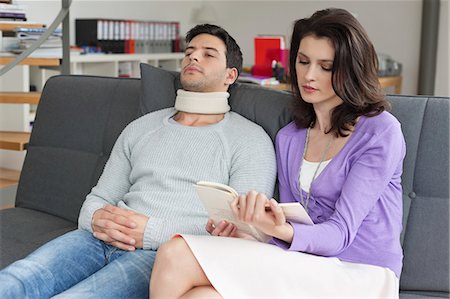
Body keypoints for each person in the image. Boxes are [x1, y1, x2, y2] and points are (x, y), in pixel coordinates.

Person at [0, 24, 276, 298]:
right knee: (17, 279)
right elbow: (99, 198)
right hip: (98, 238)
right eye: (189, 51)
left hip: (163, 255)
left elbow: (242, 232)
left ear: (230, 75)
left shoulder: (250, 140)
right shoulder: (142, 127)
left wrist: (152, 232)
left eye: (208, 54)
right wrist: (96, 218)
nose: (193, 57)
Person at [150, 8, 406, 299]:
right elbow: (292, 222)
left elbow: (339, 234)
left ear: (351, 69)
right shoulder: (290, 138)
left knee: (177, 253)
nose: (309, 75)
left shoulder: (380, 132)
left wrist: (278, 230)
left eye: (326, 66)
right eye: (303, 61)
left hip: (360, 272)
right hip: (304, 261)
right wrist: (252, 231)